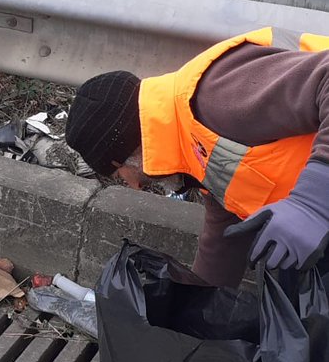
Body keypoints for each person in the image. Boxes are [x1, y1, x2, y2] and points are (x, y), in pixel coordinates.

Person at [64, 27, 329, 287]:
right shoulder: (194, 147)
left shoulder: (217, 96)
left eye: (120, 177)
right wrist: (198, 304)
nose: (135, 186)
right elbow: (224, 239)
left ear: (121, 158)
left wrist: (312, 204)